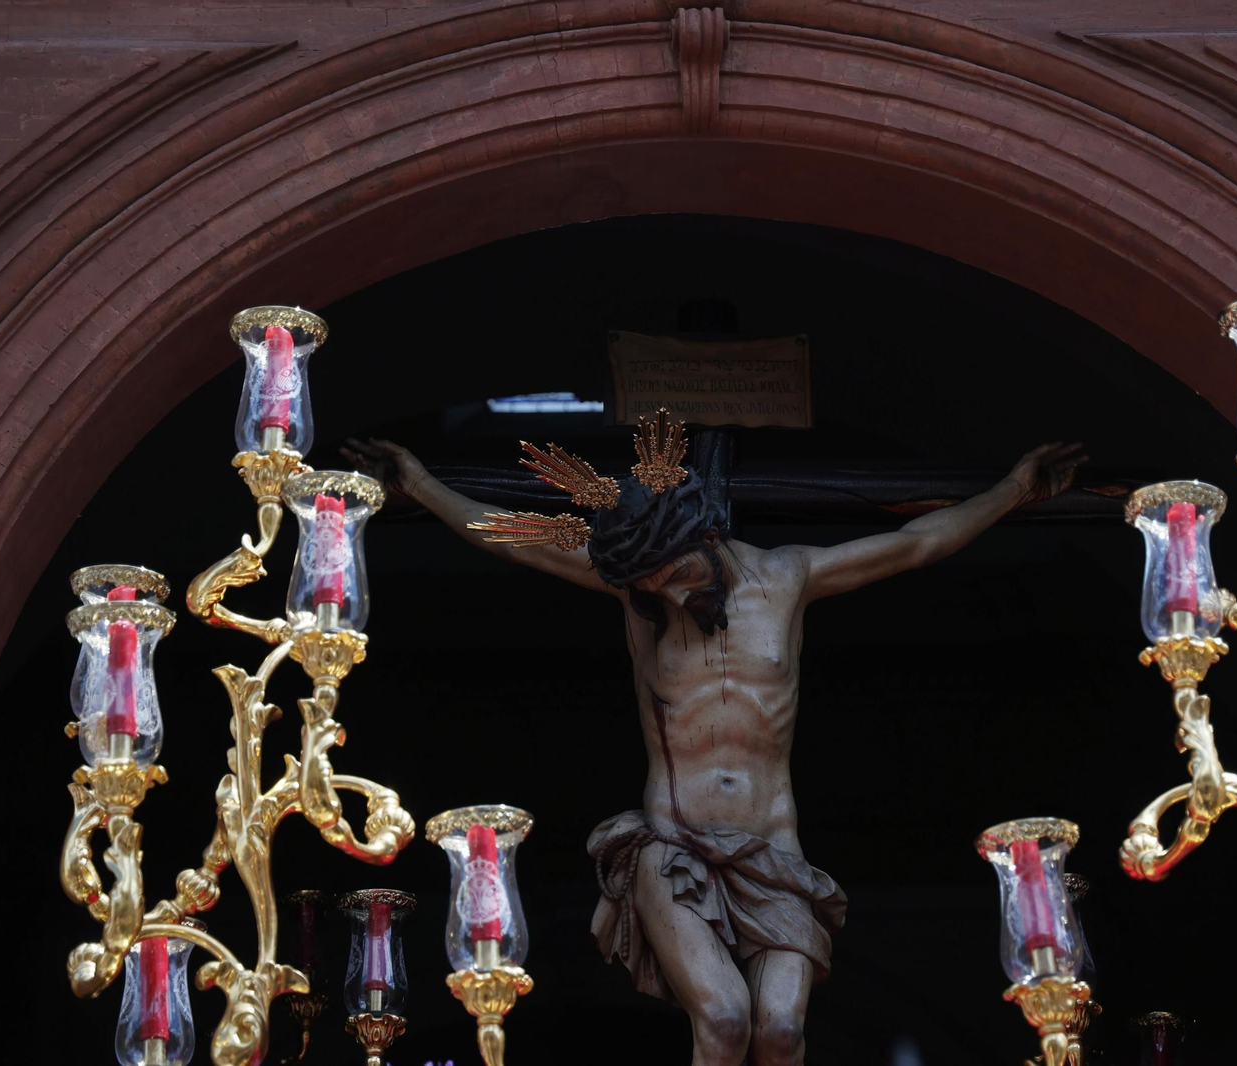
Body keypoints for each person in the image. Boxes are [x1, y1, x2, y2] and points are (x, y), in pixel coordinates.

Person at [342, 421, 1085, 1066]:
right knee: (725, 1022)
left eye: (677, 578)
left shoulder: (789, 577)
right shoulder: (641, 603)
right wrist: (423, 483)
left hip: (775, 850)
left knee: (784, 1034)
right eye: (652, 589)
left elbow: (917, 544)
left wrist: (1014, 489)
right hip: (674, 848)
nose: (669, 599)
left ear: (705, 534)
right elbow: (513, 540)